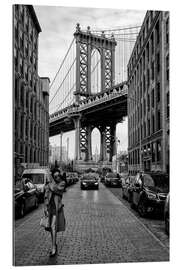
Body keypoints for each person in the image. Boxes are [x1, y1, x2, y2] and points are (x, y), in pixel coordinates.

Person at [44, 168, 66, 257]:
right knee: (51, 228)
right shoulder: (50, 184)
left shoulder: (62, 183)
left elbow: (55, 189)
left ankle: (53, 247)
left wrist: (50, 182)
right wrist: (45, 207)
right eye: (55, 176)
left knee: (53, 227)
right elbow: (46, 195)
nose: (57, 177)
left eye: (58, 176)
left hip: (57, 208)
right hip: (50, 207)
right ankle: (54, 244)